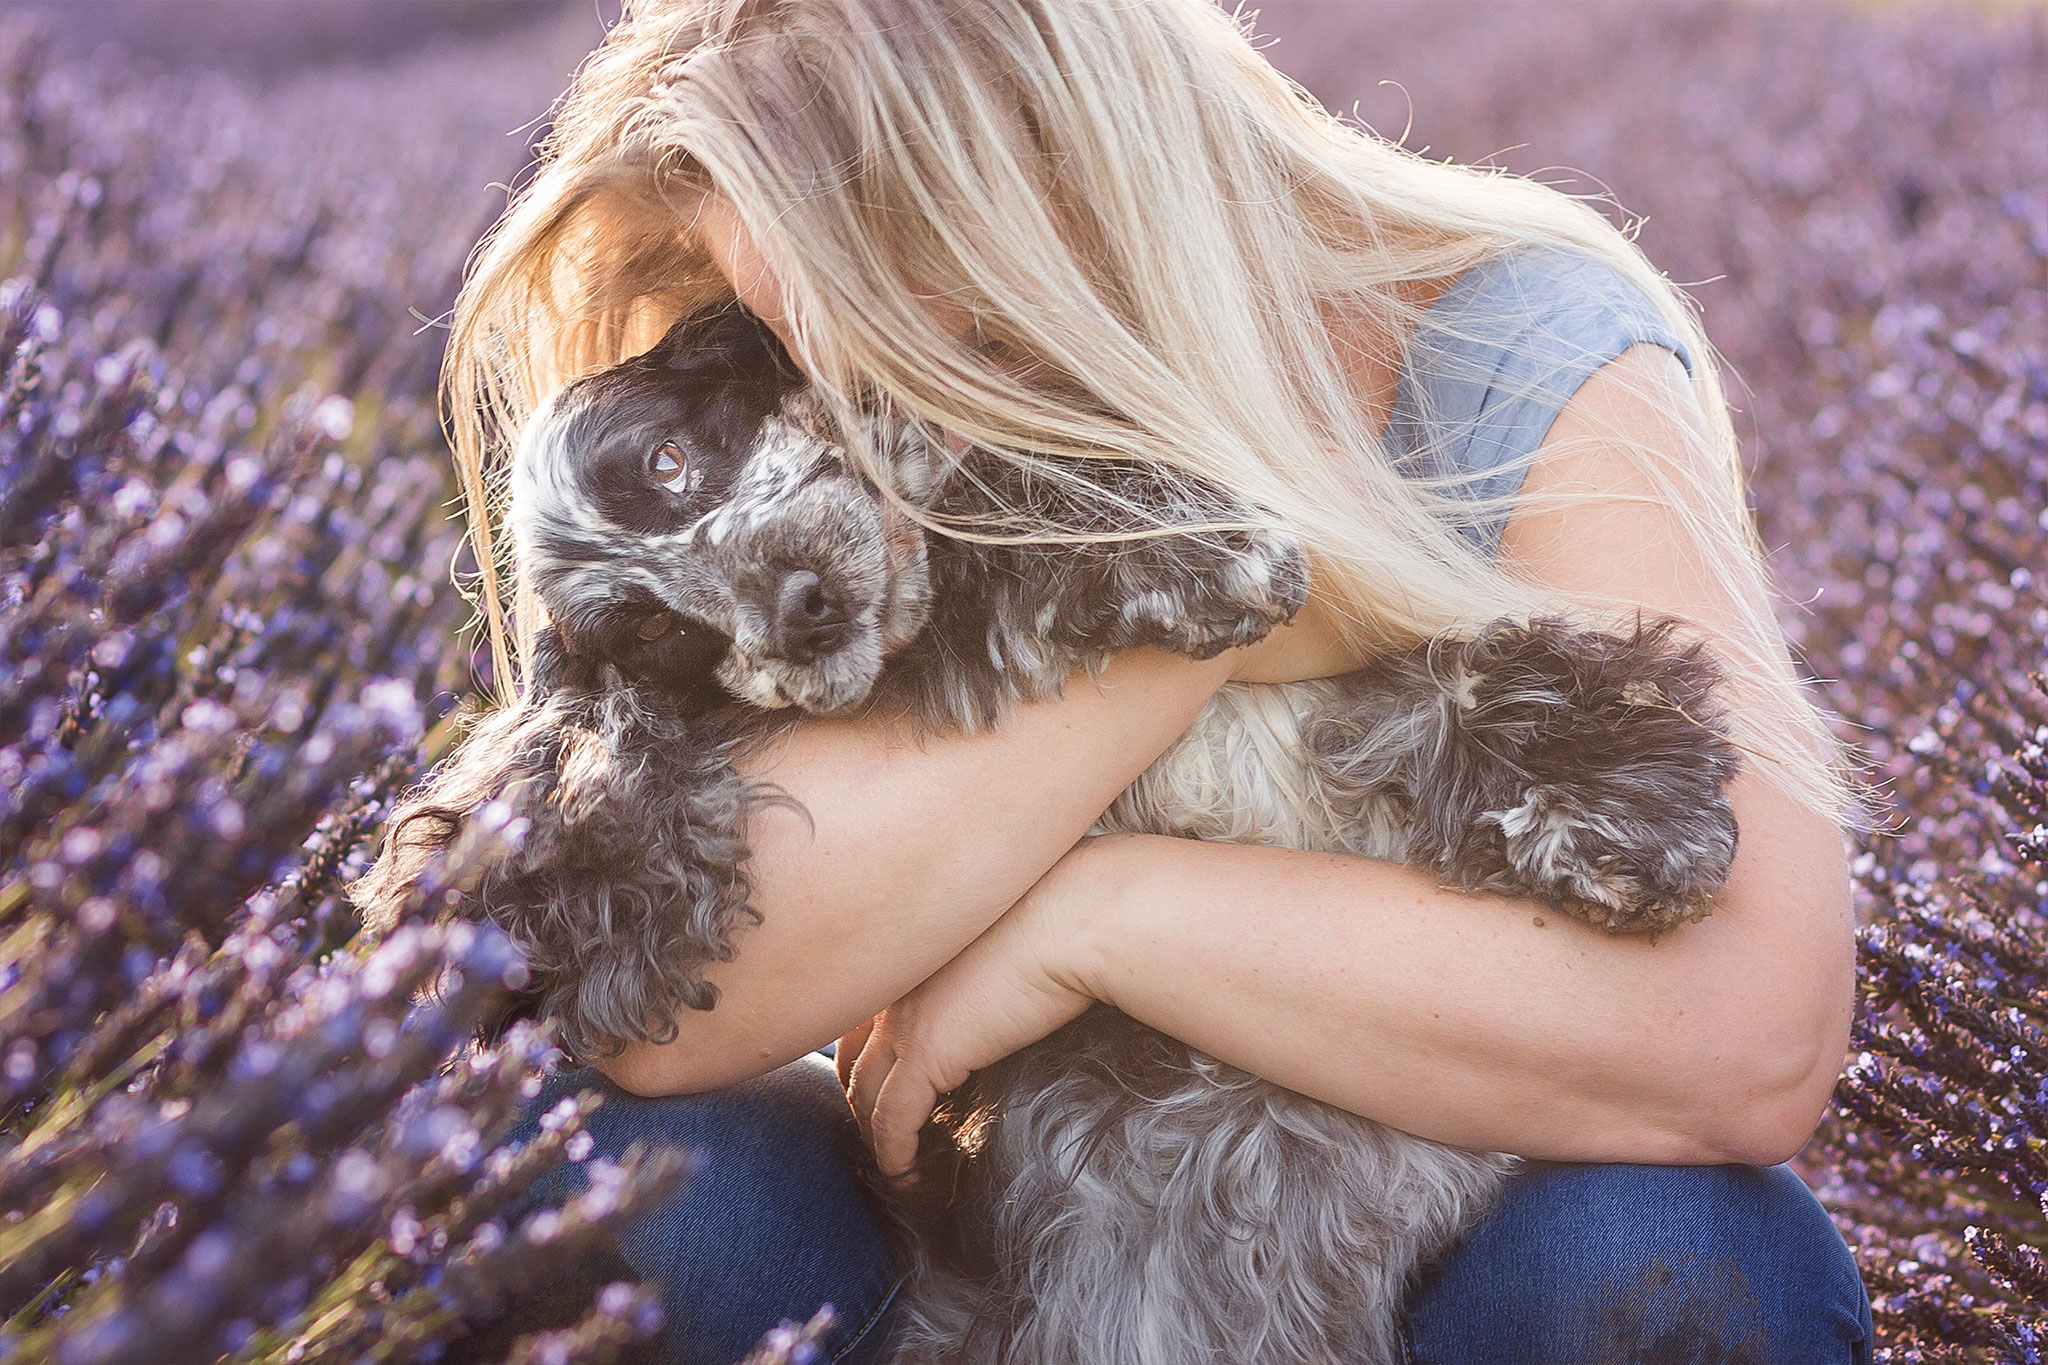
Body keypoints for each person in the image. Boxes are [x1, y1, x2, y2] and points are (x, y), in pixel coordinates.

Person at [440, 1, 1875, 1361]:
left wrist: (1101, 919)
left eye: (894, 315)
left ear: (1061, 173)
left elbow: (1752, 1036)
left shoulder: (1515, 345)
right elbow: (658, 1003)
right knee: (619, 1182)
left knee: (1666, 1252)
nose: (871, 400)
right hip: (996, 1277)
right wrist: (1207, 618)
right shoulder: (823, 454)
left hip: (1436, 1278)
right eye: (804, 342)